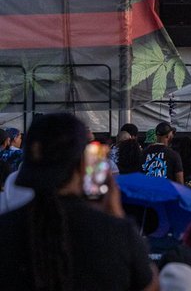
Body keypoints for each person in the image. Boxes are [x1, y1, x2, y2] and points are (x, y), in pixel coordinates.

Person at [0, 112, 156, 290]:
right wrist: (116, 216)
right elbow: (148, 284)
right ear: (83, 165)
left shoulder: (6, 230)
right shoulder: (116, 233)